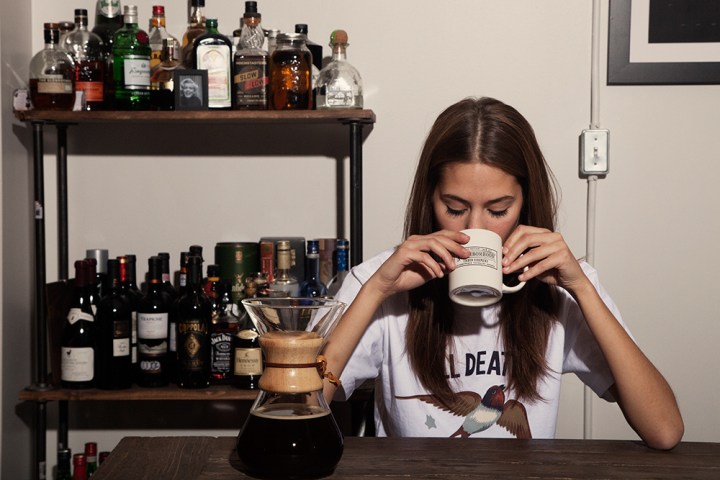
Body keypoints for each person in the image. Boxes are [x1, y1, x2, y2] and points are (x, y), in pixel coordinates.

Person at [321, 97, 683, 449]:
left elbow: (664, 430)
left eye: (498, 211)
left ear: (525, 203)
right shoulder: (382, 280)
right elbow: (303, 407)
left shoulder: (564, 285)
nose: (474, 229)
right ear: (430, 199)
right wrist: (376, 291)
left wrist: (583, 289)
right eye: (454, 208)